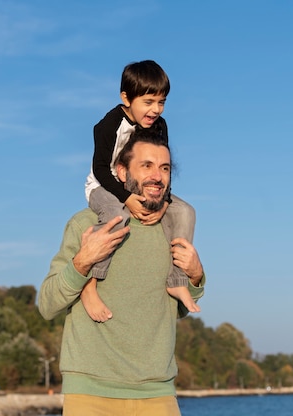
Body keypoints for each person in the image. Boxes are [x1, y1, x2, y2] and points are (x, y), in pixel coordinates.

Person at [38, 128, 206, 416]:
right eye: (146, 166)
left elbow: (175, 309)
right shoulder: (85, 223)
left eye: (164, 168)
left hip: (158, 393)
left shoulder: (172, 229)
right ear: (121, 171)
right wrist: (82, 262)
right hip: (90, 393)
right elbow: (47, 305)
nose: (157, 176)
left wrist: (195, 278)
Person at [82, 59, 200, 322]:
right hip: (103, 186)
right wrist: (127, 199)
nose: (156, 109)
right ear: (126, 97)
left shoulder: (160, 126)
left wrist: (166, 202)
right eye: (148, 102)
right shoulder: (108, 125)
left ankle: (177, 280)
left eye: (161, 102)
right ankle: (90, 284)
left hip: (137, 185)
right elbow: (100, 169)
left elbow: (162, 166)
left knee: (186, 212)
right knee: (117, 215)